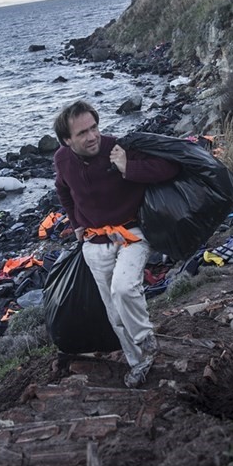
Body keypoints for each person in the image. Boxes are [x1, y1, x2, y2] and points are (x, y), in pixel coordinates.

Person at [53, 100, 180, 388]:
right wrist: (75, 224)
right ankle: (139, 363)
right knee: (113, 312)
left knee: (124, 288)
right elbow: (62, 189)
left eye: (94, 127)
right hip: (94, 243)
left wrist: (127, 167)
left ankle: (145, 339)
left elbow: (168, 167)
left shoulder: (117, 148)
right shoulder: (62, 159)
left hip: (131, 235)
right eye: (82, 132)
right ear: (67, 140)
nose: (92, 136)